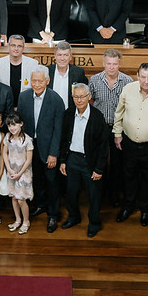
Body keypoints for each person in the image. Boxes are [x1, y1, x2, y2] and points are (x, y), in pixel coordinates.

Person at [113, 63, 148, 226]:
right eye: (143, 77)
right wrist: (117, 134)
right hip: (128, 142)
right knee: (128, 176)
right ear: (137, 76)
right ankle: (128, 206)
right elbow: (119, 112)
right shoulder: (128, 89)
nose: (146, 81)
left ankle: (145, 209)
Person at [17, 67, 65, 233]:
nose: (36, 84)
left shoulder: (56, 100)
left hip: (48, 148)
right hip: (30, 147)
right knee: (36, 179)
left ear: (47, 81)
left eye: (40, 81)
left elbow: (59, 130)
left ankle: (53, 214)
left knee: (51, 181)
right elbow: (20, 123)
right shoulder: (23, 97)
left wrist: (54, 153)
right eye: (34, 80)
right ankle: (41, 205)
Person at [59, 83, 108, 238]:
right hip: (72, 158)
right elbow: (63, 139)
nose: (79, 100)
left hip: (90, 161)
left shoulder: (97, 116)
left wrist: (99, 168)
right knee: (71, 192)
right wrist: (63, 160)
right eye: (76, 97)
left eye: (82, 96)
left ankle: (94, 223)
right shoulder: (68, 114)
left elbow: (103, 145)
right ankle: (73, 217)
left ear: (89, 97)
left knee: (94, 194)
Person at [89, 49, 133, 207]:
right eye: (109, 64)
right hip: (100, 128)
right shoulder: (94, 80)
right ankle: (98, 194)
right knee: (98, 161)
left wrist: (119, 130)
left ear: (120, 64)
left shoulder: (128, 81)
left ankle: (114, 195)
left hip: (119, 128)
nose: (112, 67)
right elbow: (91, 102)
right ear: (103, 63)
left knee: (116, 163)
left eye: (115, 64)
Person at [2, 112, 33, 234]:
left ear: (21, 124)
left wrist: (20, 173)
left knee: (21, 199)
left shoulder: (27, 140)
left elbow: (29, 159)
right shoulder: (7, 137)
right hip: (11, 171)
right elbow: (5, 153)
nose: (12, 128)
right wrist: (9, 169)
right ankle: (17, 219)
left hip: (23, 173)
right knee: (14, 197)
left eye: (14, 125)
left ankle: (26, 220)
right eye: (9, 125)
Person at [0, 35, 38, 107]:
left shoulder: (33, 64)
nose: (16, 49)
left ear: (23, 48)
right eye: (13, 45)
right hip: (4, 106)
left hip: (26, 105)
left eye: (19, 46)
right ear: (8, 46)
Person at [48, 41, 88, 109]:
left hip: (70, 115)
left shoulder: (78, 73)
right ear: (55, 56)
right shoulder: (47, 71)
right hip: (50, 114)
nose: (62, 58)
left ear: (70, 57)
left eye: (66, 55)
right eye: (59, 55)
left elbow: (84, 96)